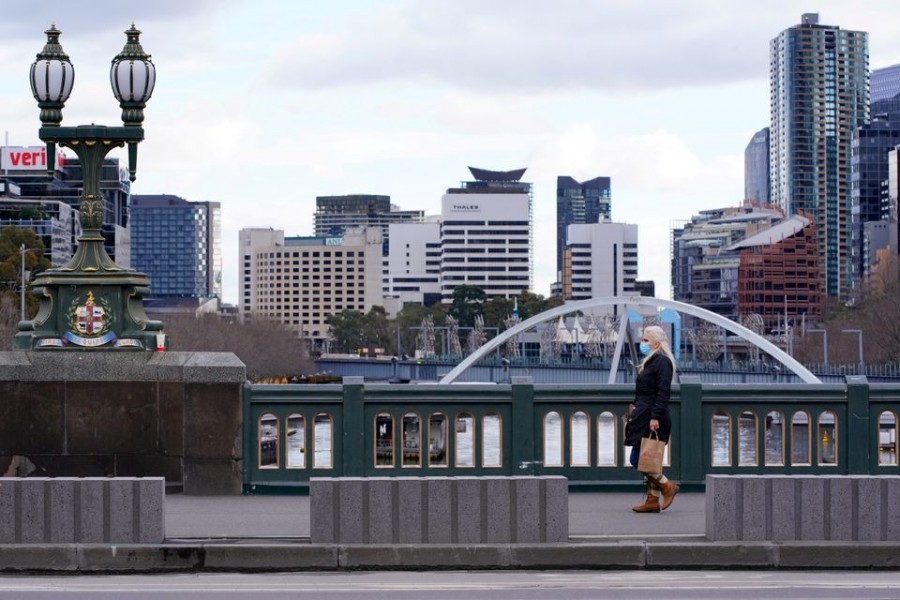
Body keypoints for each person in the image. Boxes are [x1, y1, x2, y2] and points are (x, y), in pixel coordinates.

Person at [624, 325, 679, 513]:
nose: (642, 343)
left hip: (653, 418)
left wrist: (655, 417)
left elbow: (663, 393)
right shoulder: (651, 361)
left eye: (646, 340)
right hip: (644, 415)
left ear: (656, 343)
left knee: (638, 459)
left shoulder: (662, 362)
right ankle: (652, 500)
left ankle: (667, 486)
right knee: (650, 460)